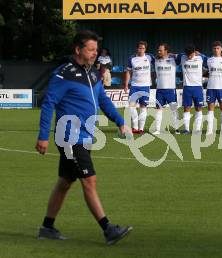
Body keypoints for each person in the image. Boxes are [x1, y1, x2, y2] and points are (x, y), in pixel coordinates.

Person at [35, 30, 132, 245]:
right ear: (78, 49)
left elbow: (103, 100)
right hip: (69, 137)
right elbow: (49, 103)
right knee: (89, 179)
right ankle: (108, 229)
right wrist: (43, 137)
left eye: (96, 50)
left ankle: (47, 228)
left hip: (85, 137)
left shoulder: (94, 73)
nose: (94, 53)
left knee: (65, 182)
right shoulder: (63, 74)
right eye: (90, 49)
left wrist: (120, 121)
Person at [175, 44, 207, 134]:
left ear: (194, 52)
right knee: (186, 108)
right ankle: (186, 129)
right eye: (187, 54)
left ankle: (197, 130)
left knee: (199, 108)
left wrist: (199, 53)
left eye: (191, 54)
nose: (189, 56)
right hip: (187, 87)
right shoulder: (182, 56)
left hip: (198, 87)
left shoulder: (201, 57)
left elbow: (210, 62)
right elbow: (174, 56)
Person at [124, 41, 155, 134]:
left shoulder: (150, 57)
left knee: (143, 107)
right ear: (137, 48)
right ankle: (135, 128)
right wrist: (126, 84)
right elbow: (128, 72)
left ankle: (141, 129)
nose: (141, 50)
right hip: (134, 86)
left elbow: (161, 58)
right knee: (131, 107)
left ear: (145, 49)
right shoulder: (132, 58)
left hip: (145, 86)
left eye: (143, 48)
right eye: (139, 48)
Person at [152, 43, 180, 135]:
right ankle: (157, 129)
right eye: (158, 50)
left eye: (161, 50)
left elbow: (182, 55)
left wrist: (172, 54)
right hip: (159, 90)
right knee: (158, 109)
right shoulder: (155, 60)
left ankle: (176, 129)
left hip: (171, 89)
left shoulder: (173, 60)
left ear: (166, 51)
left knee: (174, 109)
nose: (159, 52)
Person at [205, 41, 222, 135]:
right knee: (210, 109)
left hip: (221, 88)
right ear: (212, 49)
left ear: (221, 49)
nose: (216, 50)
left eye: (218, 48)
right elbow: (205, 72)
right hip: (211, 87)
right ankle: (209, 130)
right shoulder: (208, 60)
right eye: (215, 48)